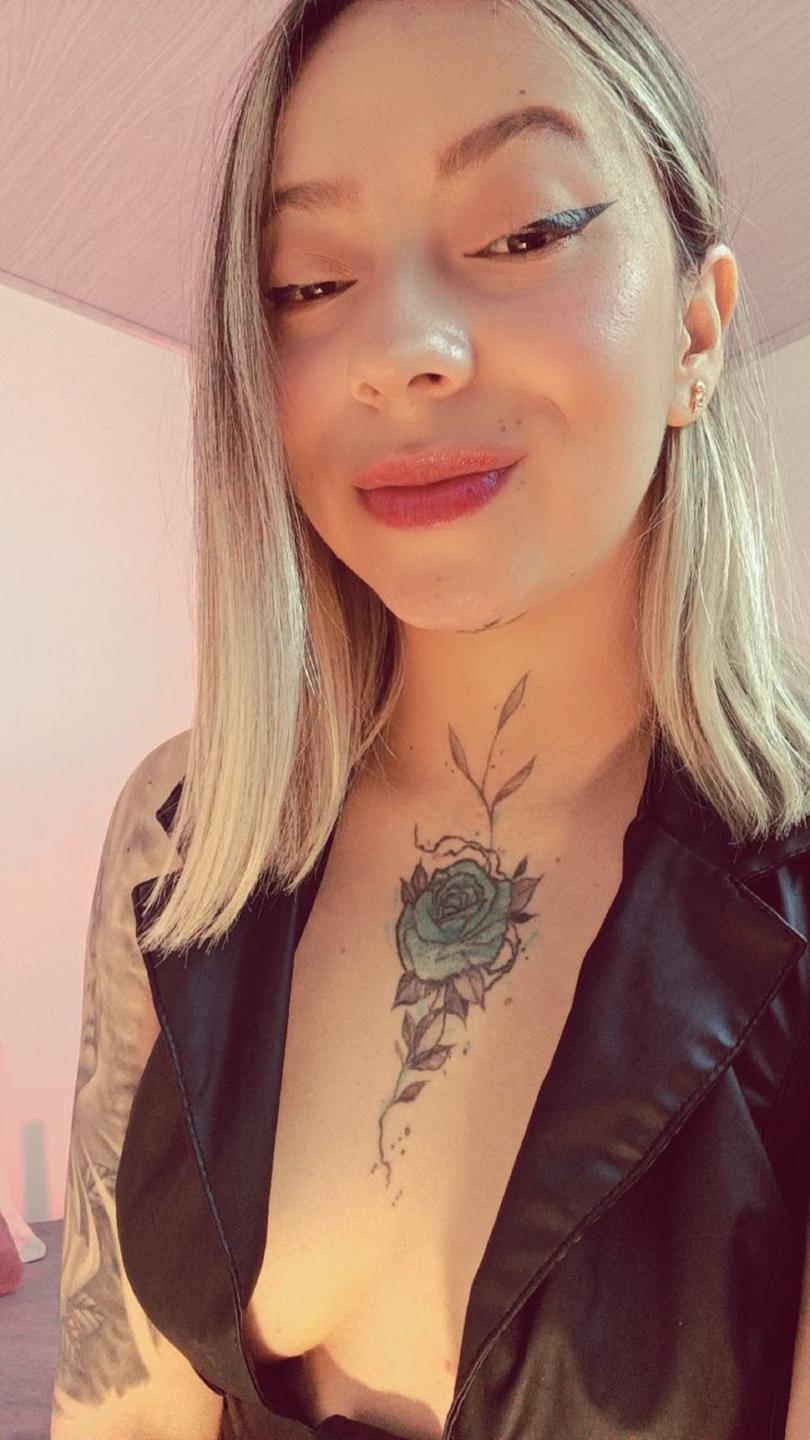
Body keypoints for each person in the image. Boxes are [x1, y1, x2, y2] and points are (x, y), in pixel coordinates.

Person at [51, 1, 810, 1437]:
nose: (398, 349)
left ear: (698, 329)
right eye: (307, 281)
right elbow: (118, 1407)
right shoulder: (185, 836)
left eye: (522, 234)